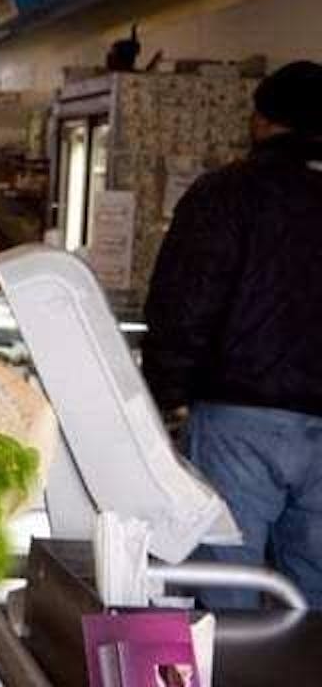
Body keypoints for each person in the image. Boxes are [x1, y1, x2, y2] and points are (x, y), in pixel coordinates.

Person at [142, 60, 322, 610]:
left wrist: (167, 396)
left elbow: (184, 300)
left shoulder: (224, 193)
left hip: (236, 421)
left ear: (261, 121)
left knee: (227, 590)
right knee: (314, 599)